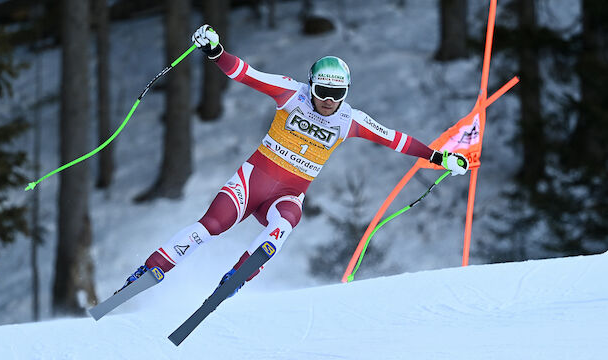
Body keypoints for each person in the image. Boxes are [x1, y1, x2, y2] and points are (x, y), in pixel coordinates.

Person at [117, 25, 469, 296]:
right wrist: (215, 51)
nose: (328, 101)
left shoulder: (350, 120)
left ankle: (236, 278)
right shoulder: (290, 92)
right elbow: (244, 72)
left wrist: (439, 157)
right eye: (322, 92)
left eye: (337, 95)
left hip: (288, 193)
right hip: (252, 182)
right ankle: (150, 270)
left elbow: (397, 139)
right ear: (311, 85)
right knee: (209, 228)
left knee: (284, 225)